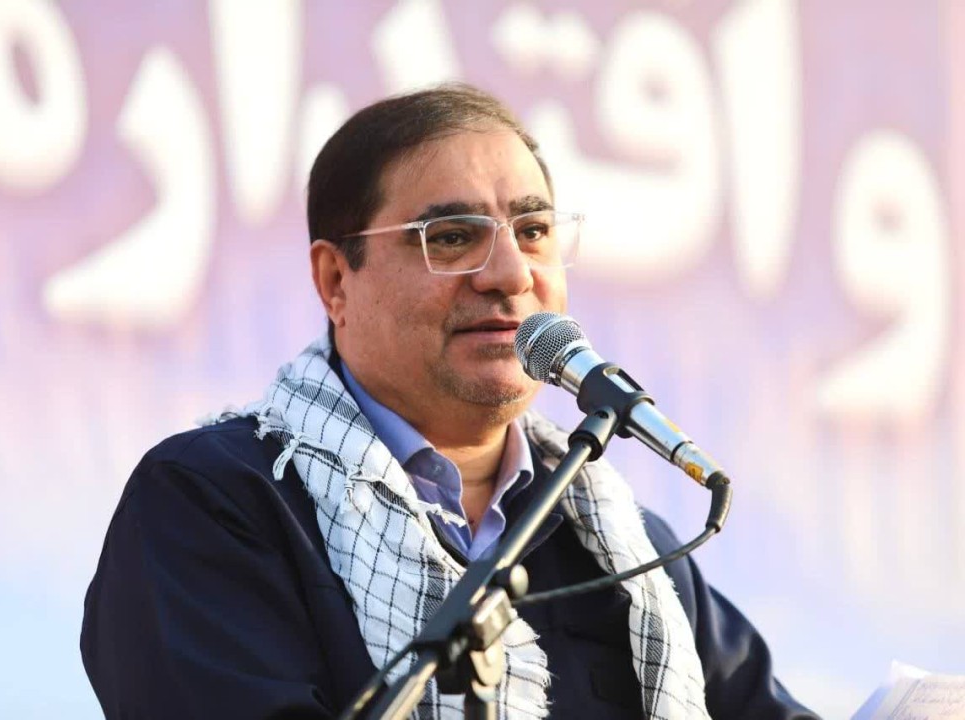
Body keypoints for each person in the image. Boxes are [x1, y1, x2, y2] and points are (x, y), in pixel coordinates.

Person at [81, 83, 818, 719]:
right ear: (336, 282)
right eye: (454, 236)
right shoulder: (215, 501)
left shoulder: (626, 548)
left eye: (533, 231)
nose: (510, 274)